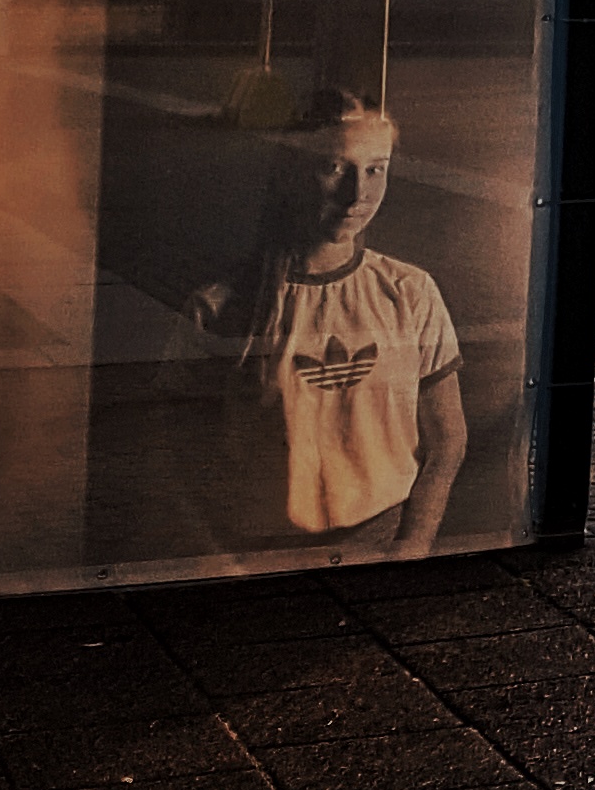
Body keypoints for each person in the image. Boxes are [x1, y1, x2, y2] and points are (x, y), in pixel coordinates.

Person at [178, 87, 469, 556]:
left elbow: (447, 439)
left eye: (376, 170)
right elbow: (176, 449)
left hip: (379, 540)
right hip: (261, 549)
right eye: (335, 168)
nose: (358, 194)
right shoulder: (222, 307)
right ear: (291, 172)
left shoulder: (410, 292)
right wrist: (219, 556)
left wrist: (414, 542)